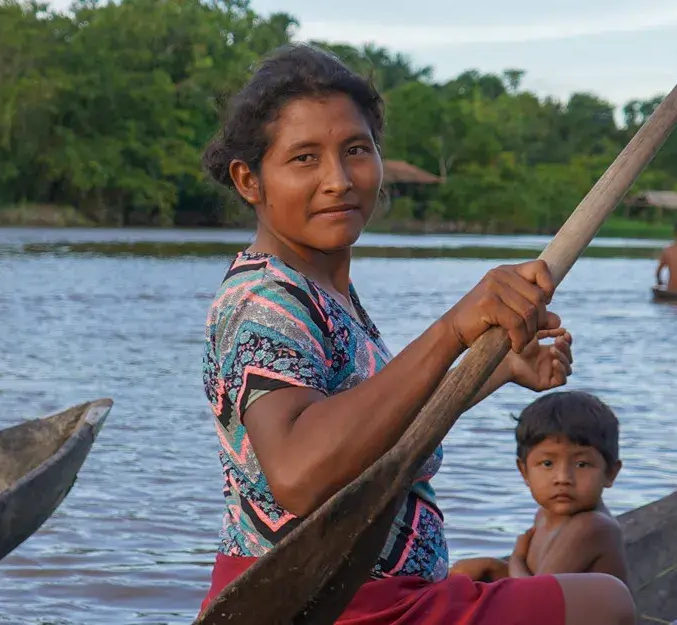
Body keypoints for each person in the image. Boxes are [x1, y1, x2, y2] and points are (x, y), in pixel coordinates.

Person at [199, 44, 636, 625]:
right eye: (304, 158)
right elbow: (300, 477)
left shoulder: (320, 291)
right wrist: (455, 327)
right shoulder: (263, 301)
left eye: (355, 150)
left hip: (379, 594)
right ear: (249, 180)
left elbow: (375, 423)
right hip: (326, 603)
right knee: (607, 601)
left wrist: (496, 368)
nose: (338, 180)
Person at [450, 391, 629, 584]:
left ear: (610, 473)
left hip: (562, 609)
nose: (563, 478)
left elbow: (533, 595)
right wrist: (492, 567)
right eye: (547, 463)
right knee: (465, 571)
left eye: (582, 464)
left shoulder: (592, 527)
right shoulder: (544, 516)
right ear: (524, 471)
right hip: (545, 605)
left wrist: (516, 559)